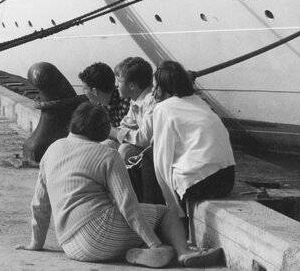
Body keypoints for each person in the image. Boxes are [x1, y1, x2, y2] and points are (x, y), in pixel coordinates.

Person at [17, 102, 224, 268]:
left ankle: (143, 249)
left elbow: (39, 204)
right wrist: (155, 243)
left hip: (70, 244)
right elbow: (128, 204)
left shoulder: (52, 150)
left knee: (143, 224)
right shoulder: (108, 155)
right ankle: (181, 253)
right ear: (101, 130)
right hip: (99, 235)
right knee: (164, 214)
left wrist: (36, 243)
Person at [151, 61, 236, 223]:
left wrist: (174, 208)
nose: (154, 92)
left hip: (201, 184)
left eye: (156, 86)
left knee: (150, 158)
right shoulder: (200, 101)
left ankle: (160, 220)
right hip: (227, 179)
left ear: (163, 87)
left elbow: (161, 160)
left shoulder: (163, 108)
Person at [111, 57, 163, 205]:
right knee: (108, 144)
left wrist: (115, 132)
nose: (117, 86)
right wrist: (116, 133)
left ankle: (125, 200)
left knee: (125, 150)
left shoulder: (151, 101)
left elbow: (144, 138)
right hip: (143, 149)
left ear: (132, 85)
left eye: (119, 82)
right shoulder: (135, 101)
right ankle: (107, 196)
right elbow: (126, 125)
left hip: (154, 154)